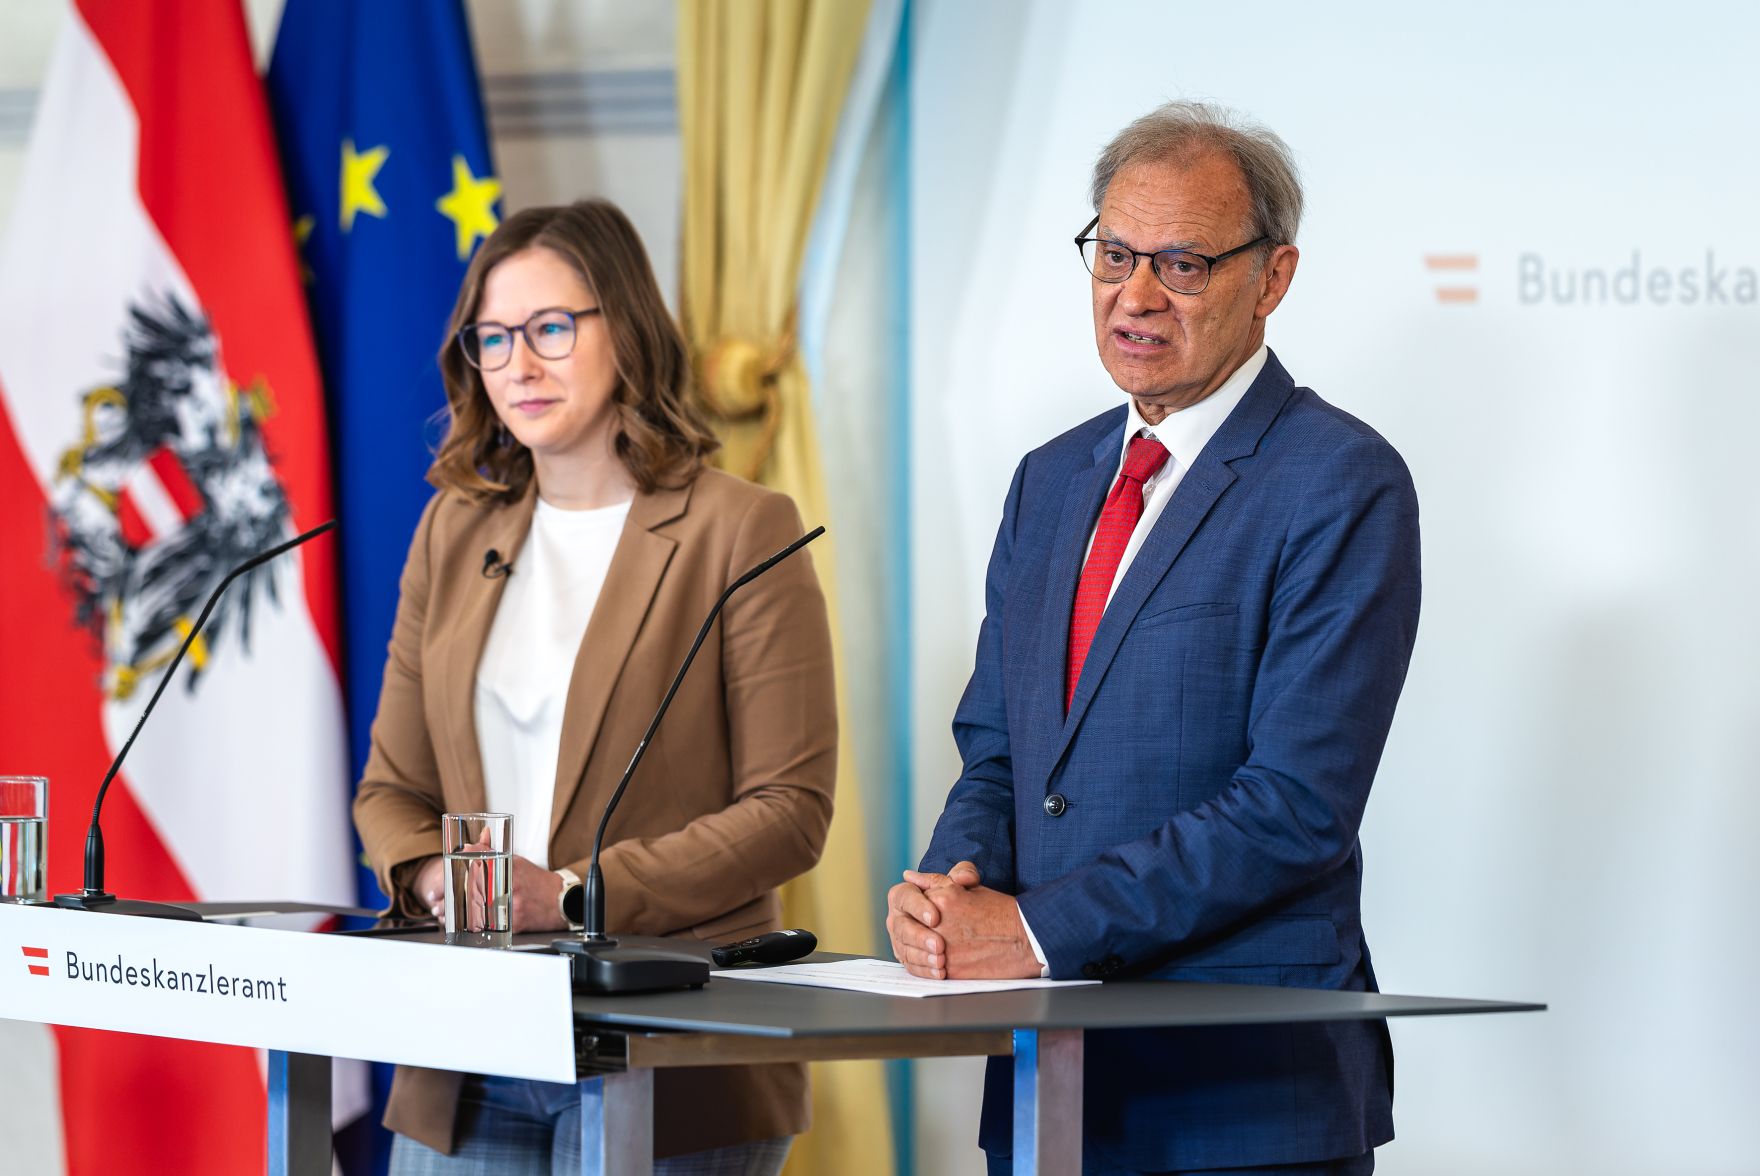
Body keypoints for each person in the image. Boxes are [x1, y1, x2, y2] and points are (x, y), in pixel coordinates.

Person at [887, 101, 1421, 1174]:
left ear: (1271, 278)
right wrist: (949, 892)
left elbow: (1295, 807)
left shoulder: (1340, 480)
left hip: (1242, 1096)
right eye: (1115, 255)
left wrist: (1032, 932)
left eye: (1181, 264)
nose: (1134, 295)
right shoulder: (1049, 480)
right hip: (1049, 1087)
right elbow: (997, 751)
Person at [353, 198, 835, 1174]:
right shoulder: (452, 531)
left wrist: (573, 897)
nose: (518, 366)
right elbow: (391, 792)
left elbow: (789, 810)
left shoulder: (738, 529)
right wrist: (441, 879)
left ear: (628, 328)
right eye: (493, 338)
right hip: (471, 1038)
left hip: (671, 1039)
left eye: (550, 328)